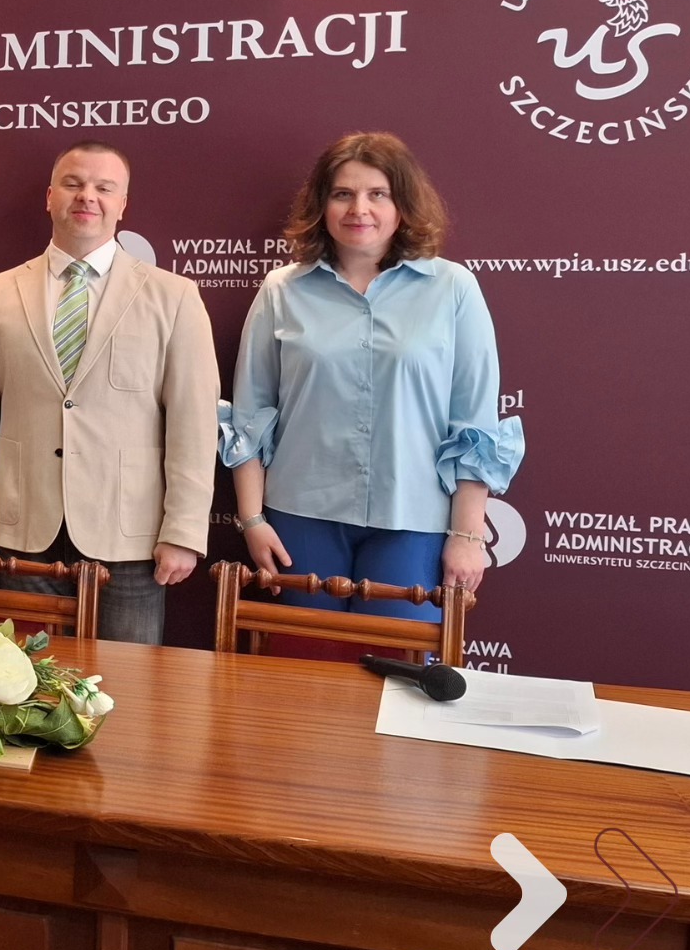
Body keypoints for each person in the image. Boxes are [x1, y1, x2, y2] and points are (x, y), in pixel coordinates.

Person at [221, 131, 523, 620]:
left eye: (377, 194)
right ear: (322, 205)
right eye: (343, 194)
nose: (359, 209)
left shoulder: (454, 288)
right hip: (300, 516)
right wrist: (252, 520)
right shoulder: (281, 290)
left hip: (415, 520)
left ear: (402, 204)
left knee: (399, 665)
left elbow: (475, 422)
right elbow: (250, 414)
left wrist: (468, 536)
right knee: (305, 662)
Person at [0, 142, 217, 644]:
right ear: (50, 197)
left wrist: (183, 531)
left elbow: (193, 425)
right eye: (73, 184)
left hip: (131, 537)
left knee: (127, 683)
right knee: (25, 682)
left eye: (103, 187)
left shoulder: (174, 296)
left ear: (122, 204)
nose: (87, 196)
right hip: (24, 529)